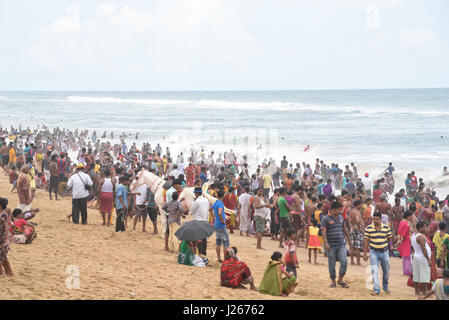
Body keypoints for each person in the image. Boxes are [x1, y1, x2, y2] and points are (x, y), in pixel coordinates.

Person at [321, 201, 352, 288]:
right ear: (333, 209)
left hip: (341, 244)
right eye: (338, 209)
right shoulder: (325, 219)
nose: (340, 211)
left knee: (344, 261)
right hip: (330, 245)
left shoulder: (341, 218)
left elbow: (344, 229)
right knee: (332, 263)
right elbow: (323, 232)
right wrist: (326, 243)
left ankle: (340, 280)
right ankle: (333, 280)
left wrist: (349, 240)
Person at [363, 211, 393, 295]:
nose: (375, 221)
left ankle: (385, 286)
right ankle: (376, 289)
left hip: (384, 252)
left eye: (377, 219)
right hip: (373, 252)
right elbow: (366, 242)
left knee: (386, 270)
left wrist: (390, 246)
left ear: (380, 219)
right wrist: (365, 254)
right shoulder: (368, 228)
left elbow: (389, 239)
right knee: (374, 271)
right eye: (374, 219)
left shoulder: (386, 228)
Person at [411, 221, 432, 297]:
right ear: (420, 228)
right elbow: (423, 249)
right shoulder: (421, 237)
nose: (426, 228)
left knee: (416, 275)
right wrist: (428, 260)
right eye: (425, 227)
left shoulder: (414, 235)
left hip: (416, 256)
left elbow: (413, 247)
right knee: (425, 276)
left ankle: (417, 291)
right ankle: (425, 292)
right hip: (423, 259)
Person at [190, 186, 210, 255]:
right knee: (204, 239)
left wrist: (194, 201)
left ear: (196, 194)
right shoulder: (206, 200)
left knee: (198, 238)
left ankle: (200, 252)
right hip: (205, 221)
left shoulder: (197, 201)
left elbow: (191, 212)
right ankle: (204, 253)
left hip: (198, 221)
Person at [212, 190, 229, 263]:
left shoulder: (215, 203)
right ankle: (226, 259)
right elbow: (219, 212)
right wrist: (222, 220)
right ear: (223, 196)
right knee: (225, 243)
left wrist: (214, 216)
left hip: (216, 224)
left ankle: (219, 258)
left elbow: (210, 209)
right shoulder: (220, 204)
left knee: (218, 242)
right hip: (221, 225)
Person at [397, 210, 413, 275]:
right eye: (411, 216)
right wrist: (401, 240)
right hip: (406, 241)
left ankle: (405, 271)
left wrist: (399, 240)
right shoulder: (407, 224)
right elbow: (404, 234)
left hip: (402, 240)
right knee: (407, 257)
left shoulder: (401, 222)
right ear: (408, 217)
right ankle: (407, 271)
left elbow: (399, 232)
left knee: (404, 257)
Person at [0, 198, 13, 276]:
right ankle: (8, 273)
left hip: (2, 239)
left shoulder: (3, 215)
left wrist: (7, 240)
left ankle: (7, 273)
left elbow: (7, 228)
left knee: (3, 257)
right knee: (3, 257)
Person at [349, 200, 364, 266]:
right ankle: (358, 262)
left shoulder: (352, 211)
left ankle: (352, 261)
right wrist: (359, 227)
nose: (361, 206)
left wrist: (352, 226)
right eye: (360, 205)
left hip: (352, 228)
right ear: (357, 205)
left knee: (352, 246)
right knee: (357, 246)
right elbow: (357, 220)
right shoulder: (357, 212)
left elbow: (350, 220)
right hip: (357, 228)